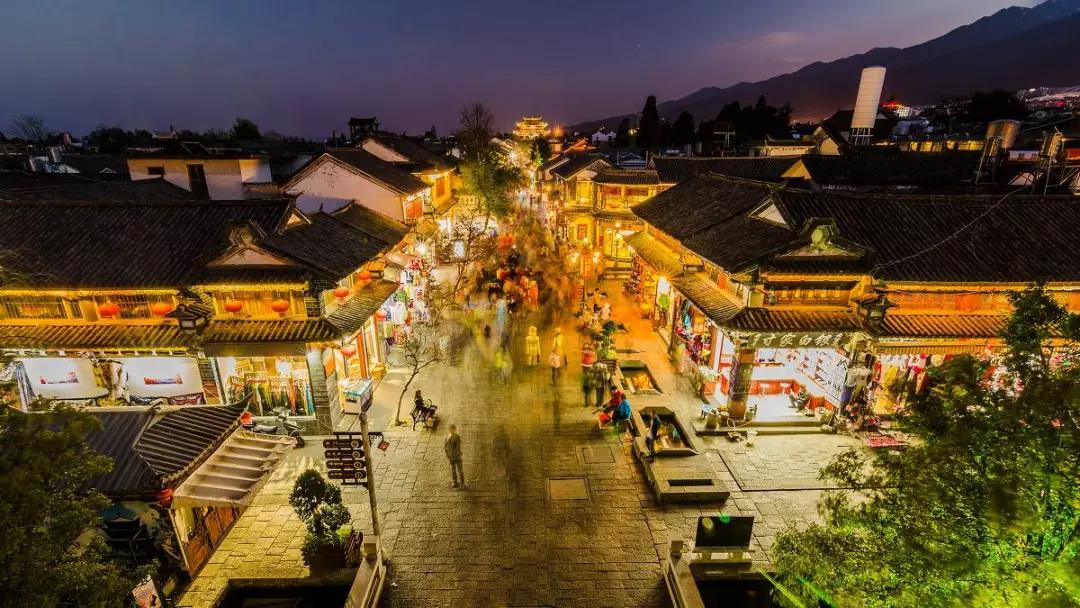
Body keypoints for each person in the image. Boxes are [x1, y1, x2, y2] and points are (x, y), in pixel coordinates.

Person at [444, 424, 464, 489]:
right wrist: (447, 454)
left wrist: (454, 454)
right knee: (453, 470)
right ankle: (454, 482)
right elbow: (445, 446)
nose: (451, 431)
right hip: (451, 457)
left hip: (457, 456)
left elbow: (458, 448)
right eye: (450, 429)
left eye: (453, 429)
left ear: (455, 430)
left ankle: (462, 484)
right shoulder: (447, 437)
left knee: (460, 470)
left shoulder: (457, 437)